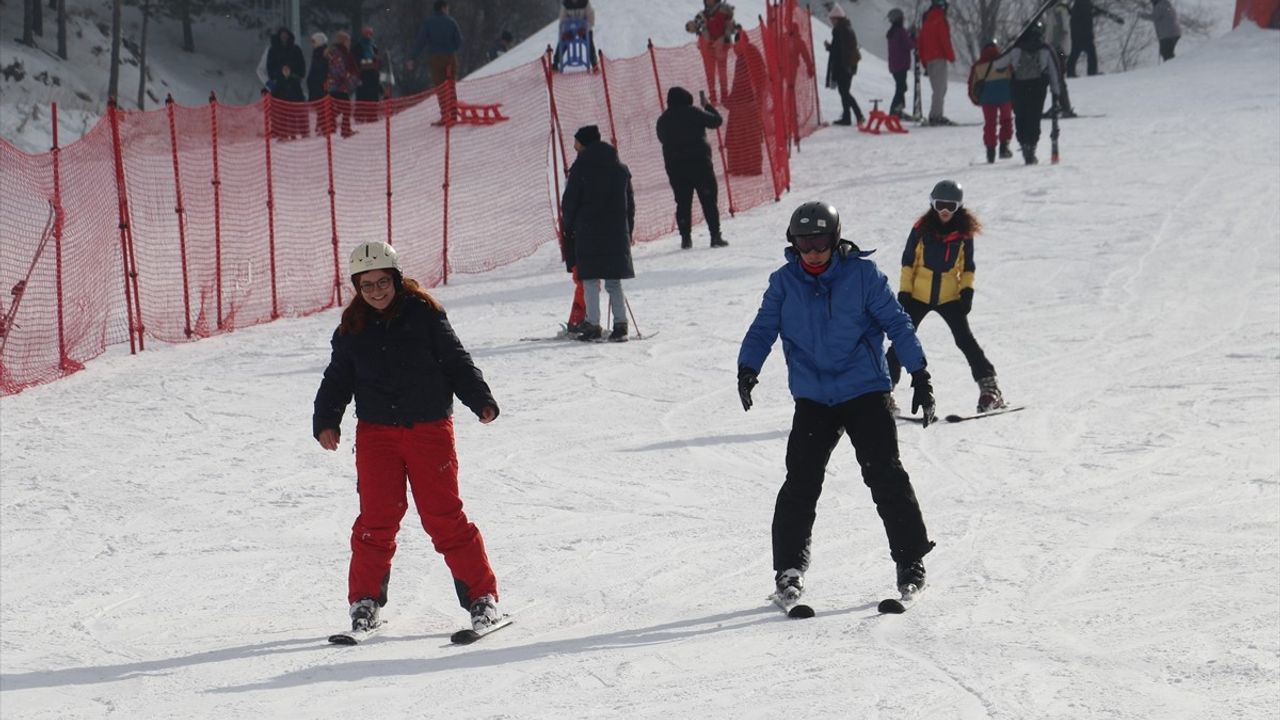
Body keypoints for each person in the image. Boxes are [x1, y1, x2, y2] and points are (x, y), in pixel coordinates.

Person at [737, 201, 938, 604]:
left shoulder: (863, 276)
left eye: (820, 242)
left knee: (885, 475)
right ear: (793, 244)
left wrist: (919, 374)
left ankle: (911, 560)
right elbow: (763, 328)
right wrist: (748, 367)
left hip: (865, 389)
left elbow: (898, 323)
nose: (813, 252)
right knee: (800, 482)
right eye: (804, 243)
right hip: (814, 397)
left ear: (836, 239)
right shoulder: (783, 282)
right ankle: (789, 570)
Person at [313, 240, 503, 635]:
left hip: (428, 429)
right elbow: (337, 378)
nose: (376, 291)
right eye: (367, 285)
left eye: (383, 282)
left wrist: (479, 399)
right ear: (357, 288)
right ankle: (364, 602)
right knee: (376, 520)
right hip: (376, 434)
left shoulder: (425, 315)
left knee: (443, 516)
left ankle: (482, 599)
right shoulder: (352, 327)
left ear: (397, 279)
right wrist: (326, 419)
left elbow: (455, 361)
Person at [886, 181, 1005, 414]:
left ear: (958, 207)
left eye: (950, 206)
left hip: (949, 296)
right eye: (940, 205)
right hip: (918, 295)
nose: (944, 211)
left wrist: (966, 291)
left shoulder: (963, 233)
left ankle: (990, 390)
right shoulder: (921, 228)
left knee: (964, 340)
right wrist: (905, 292)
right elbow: (908, 262)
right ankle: (884, 391)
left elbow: (968, 266)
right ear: (932, 203)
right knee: (902, 341)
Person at [560, 125, 636, 342]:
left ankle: (593, 324)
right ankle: (620, 325)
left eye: (576, 142)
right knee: (613, 281)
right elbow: (629, 204)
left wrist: (569, 227)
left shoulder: (580, 168)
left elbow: (570, 202)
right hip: (615, 232)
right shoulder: (619, 168)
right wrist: (627, 229)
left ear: (583, 143)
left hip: (588, 232)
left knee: (590, 280)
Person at [656, 86, 727, 250]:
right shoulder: (694, 112)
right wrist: (708, 106)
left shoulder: (663, 120)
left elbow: (662, 138)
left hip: (676, 168)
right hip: (700, 165)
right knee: (709, 201)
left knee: (682, 203)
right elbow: (717, 121)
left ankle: (686, 238)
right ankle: (715, 235)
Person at [1001, 22, 1062, 165]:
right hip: (1037, 87)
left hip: (1019, 87)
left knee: (1021, 116)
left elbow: (999, 64)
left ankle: (1024, 145)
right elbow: (1054, 71)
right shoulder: (1045, 49)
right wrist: (1056, 92)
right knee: (1034, 118)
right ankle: (1031, 148)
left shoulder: (1016, 49)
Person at [406, 0, 464, 123]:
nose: (448, 10)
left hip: (436, 58)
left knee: (441, 87)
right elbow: (459, 41)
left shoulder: (428, 23)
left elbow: (420, 42)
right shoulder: (451, 21)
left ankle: (444, 116)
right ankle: (453, 114)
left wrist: (412, 57)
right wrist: (451, 48)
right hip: (450, 57)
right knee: (451, 86)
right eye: (447, 8)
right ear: (443, 8)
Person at [967, 40, 1013, 163]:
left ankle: (990, 152)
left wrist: (975, 100)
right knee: (1006, 121)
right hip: (1005, 96)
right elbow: (1012, 77)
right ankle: (1004, 147)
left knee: (990, 124)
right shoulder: (1003, 62)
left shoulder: (978, 66)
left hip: (987, 99)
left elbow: (972, 85)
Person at [917, 0, 956, 126]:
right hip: (939, 57)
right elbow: (944, 39)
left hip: (929, 59)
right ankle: (936, 115)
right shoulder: (940, 19)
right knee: (940, 89)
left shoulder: (927, 21)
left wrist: (924, 61)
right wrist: (951, 56)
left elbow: (921, 43)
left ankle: (935, 114)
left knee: (936, 89)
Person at [824, 3, 863, 126]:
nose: (831, 21)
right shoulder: (847, 28)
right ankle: (849, 115)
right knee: (844, 91)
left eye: (832, 19)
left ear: (837, 18)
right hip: (849, 65)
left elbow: (839, 50)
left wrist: (829, 47)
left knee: (844, 92)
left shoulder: (840, 30)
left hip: (844, 66)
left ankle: (857, 115)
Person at [266, 27, 307, 138]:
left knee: (295, 110)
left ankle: (295, 132)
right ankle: (281, 133)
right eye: (282, 34)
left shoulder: (296, 49)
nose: (284, 37)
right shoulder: (273, 50)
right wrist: (278, 75)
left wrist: (294, 74)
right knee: (280, 111)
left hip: (293, 85)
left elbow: (302, 67)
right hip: (280, 86)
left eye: (286, 34)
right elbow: (270, 67)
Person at [1069, 0, 1123, 77]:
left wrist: (1115, 18)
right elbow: (1092, 13)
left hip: (1077, 35)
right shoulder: (1084, 3)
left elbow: (1092, 13)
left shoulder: (1079, 4)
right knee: (1090, 54)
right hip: (1084, 35)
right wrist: (1115, 18)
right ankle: (1091, 72)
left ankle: (1071, 73)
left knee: (1075, 54)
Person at [1043, 0, 1077, 116]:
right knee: (1055, 77)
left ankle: (1064, 106)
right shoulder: (1054, 10)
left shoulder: (1059, 10)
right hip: (1056, 49)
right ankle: (1058, 104)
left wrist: (1054, 46)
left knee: (1058, 77)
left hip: (1059, 51)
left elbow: (1063, 29)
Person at [698, 1, 736, 104]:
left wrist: (724, 40)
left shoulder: (724, 11)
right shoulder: (704, 13)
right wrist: (702, 40)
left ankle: (724, 96)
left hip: (721, 46)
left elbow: (731, 27)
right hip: (708, 46)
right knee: (710, 72)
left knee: (722, 71)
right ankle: (713, 96)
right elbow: (701, 28)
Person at [323, 31, 359, 137]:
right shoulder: (338, 52)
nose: (349, 43)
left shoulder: (341, 52)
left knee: (341, 108)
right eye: (348, 41)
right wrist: (347, 77)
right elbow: (338, 69)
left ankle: (337, 128)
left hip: (337, 85)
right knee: (344, 108)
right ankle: (339, 129)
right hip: (337, 85)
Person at [553, 0, 597, 72]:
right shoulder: (566, 4)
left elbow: (591, 17)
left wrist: (585, 28)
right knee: (563, 42)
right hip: (570, 28)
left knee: (589, 41)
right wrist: (565, 32)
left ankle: (594, 63)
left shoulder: (585, 3)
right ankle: (555, 63)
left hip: (583, 28)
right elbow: (562, 20)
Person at [885, 8, 913, 119]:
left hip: (894, 65)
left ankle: (898, 109)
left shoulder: (892, 32)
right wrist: (914, 39)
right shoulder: (901, 31)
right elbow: (908, 45)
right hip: (902, 64)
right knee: (901, 87)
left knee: (901, 86)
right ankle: (895, 110)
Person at [354, 27, 382, 123]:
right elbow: (355, 61)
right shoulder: (358, 47)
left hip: (373, 76)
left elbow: (378, 63)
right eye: (367, 33)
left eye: (370, 33)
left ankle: (372, 116)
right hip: (363, 75)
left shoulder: (374, 47)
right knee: (362, 97)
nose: (368, 36)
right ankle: (360, 117)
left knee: (372, 97)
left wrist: (376, 62)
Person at [306, 32, 330, 103]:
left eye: (314, 42)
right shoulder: (317, 53)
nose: (312, 44)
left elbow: (321, 69)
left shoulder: (323, 53)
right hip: (316, 86)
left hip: (320, 86)